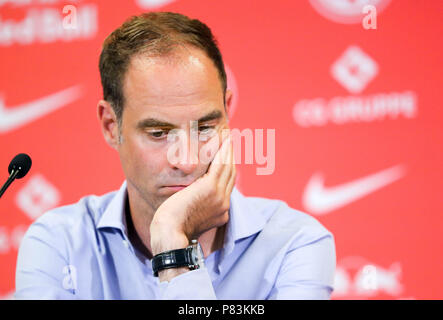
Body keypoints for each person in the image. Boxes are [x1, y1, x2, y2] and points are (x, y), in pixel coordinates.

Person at [14, 12, 335, 300]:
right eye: (158, 133)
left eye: (205, 127)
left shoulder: (295, 244)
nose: (188, 161)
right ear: (111, 126)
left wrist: (172, 244)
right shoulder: (59, 244)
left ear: (228, 111)